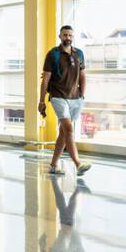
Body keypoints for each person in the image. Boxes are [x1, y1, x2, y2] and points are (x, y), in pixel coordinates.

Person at [37, 24, 91, 176]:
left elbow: (83, 75)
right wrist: (41, 101)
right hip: (58, 96)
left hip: (75, 98)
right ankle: (78, 163)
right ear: (60, 36)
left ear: (73, 37)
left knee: (63, 133)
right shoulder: (52, 54)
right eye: (65, 35)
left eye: (70, 35)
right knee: (69, 129)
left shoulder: (79, 54)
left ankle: (53, 165)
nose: (68, 38)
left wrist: (82, 94)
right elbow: (45, 80)